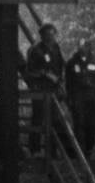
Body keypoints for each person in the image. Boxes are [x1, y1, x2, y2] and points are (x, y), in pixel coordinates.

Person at [24, 23, 65, 156]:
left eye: (53, 34)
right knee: (38, 118)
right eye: (48, 34)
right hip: (40, 90)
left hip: (53, 90)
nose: (51, 37)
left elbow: (61, 66)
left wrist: (60, 82)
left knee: (55, 119)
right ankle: (34, 150)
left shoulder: (56, 48)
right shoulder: (35, 50)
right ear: (42, 35)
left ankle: (52, 151)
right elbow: (29, 71)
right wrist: (44, 73)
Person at [64, 37, 95, 157]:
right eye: (80, 45)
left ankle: (89, 149)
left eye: (84, 45)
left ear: (89, 47)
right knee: (78, 123)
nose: (81, 48)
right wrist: (69, 98)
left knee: (91, 124)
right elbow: (68, 82)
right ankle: (79, 151)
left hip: (92, 96)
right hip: (77, 96)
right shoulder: (72, 62)